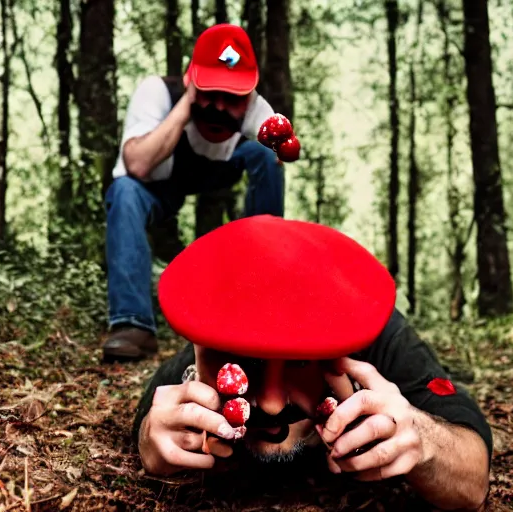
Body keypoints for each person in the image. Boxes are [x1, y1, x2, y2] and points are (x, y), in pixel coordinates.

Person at [131, 215, 492, 511]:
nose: (272, 404)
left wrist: (423, 437)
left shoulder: (377, 335)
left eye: (300, 362)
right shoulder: (213, 343)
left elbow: (472, 477)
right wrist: (151, 437)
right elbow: (155, 412)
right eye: (250, 362)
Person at [102, 23, 289, 362]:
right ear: (191, 83)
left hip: (220, 172)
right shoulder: (157, 92)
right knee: (124, 191)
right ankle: (133, 324)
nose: (218, 108)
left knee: (264, 157)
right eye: (209, 94)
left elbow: (279, 152)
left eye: (232, 98)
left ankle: (262, 294)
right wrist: (187, 104)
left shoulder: (255, 113)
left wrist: (275, 142)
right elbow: (138, 164)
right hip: (160, 183)